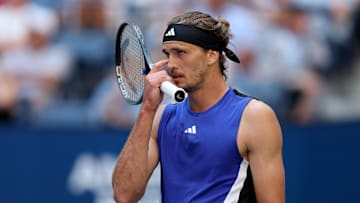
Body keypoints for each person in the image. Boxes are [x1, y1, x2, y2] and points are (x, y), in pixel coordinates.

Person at [112, 11, 285, 203]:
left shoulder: (255, 116)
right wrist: (147, 108)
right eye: (168, 54)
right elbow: (124, 195)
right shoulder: (161, 118)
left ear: (211, 55)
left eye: (181, 53)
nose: (171, 64)